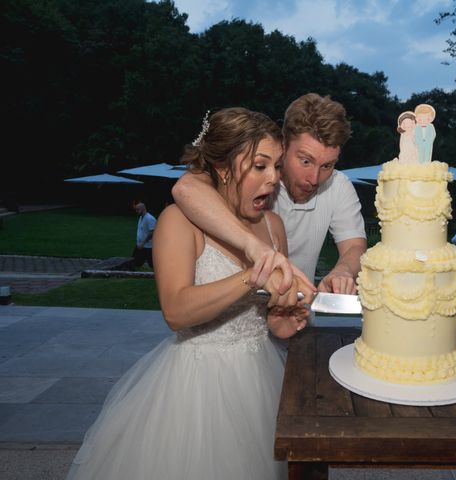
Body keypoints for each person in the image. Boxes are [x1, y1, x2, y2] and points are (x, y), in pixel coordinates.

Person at [66, 108, 310, 479]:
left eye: (276, 166)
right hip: (197, 387)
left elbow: (267, 317)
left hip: (261, 378)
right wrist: (251, 277)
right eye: (261, 166)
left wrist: (281, 320)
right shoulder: (177, 221)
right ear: (225, 167)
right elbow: (176, 311)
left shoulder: (274, 226)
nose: (275, 178)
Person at [172, 93, 367, 295]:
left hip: (295, 312)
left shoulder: (339, 185)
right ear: (283, 145)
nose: (315, 178)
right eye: (305, 161)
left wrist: (342, 272)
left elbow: (354, 246)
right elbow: (185, 188)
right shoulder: (245, 176)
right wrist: (255, 247)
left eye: (327, 165)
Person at [132, 202, 156, 269]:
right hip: (140, 245)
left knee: (152, 264)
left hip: (147, 246)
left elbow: (152, 232)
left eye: (138, 209)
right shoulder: (140, 217)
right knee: (134, 261)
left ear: (143, 209)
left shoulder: (150, 218)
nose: (136, 211)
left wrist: (143, 243)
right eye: (136, 209)